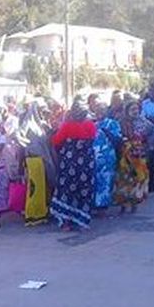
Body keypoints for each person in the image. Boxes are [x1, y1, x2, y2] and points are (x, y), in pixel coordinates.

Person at [50, 98, 96, 231]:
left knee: (66, 190)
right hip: (86, 164)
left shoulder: (67, 126)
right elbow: (93, 141)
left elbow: (56, 141)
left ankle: (65, 222)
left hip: (69, 164)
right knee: (84, 190)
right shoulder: (91, 126)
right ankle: (80, 220)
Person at [114, 100, 154, 214]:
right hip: (124, 156)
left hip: (138, 155)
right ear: (127, 111)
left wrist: (148, 145)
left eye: (137, 109)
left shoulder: (144, 122)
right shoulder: (120, 122)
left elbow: (153, 133)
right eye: (132, 109)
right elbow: (117, 136)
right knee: (124, 180)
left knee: (137, 179)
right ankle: (123, 205)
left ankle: (134, 204)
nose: (135, 112)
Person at [92, 100, 122, 215]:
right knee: (96, 180)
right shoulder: (93, 124)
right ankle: (95, 204)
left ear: (106, 111)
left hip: (107, 156)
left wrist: (106, 131)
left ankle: (102, 207)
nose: (99, 112)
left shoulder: (112, 123)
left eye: (102, 110)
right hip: (94, 157)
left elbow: (117, 139)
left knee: (106, 181)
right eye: (97, 110)